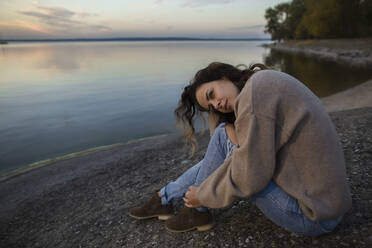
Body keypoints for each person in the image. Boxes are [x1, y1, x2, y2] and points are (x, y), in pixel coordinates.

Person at [129, 62, 352, 236]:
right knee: (226, 137)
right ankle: (167, 198)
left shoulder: (256, 93)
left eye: (212, 94)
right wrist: (223, 119)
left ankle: (187, 207)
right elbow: (239, 149)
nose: (216, 104)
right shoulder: (261, 83)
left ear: (224, 76)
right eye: (210, 106)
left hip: (312, 217)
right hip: (328, 207)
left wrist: (204, 195)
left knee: (224, 141)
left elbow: (250, 176)